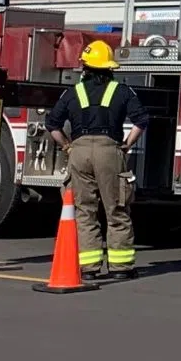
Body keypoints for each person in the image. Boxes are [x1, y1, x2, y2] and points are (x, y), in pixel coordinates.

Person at [46, 41, 144, 280]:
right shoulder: (122, 91)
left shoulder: (72, 92)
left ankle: (88, 269)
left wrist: (67, 146)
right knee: (117, 209)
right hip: (109, 151)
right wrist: (127, 144)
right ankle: (121, 268)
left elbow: (52, 125)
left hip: (79, 152)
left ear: (86, 67)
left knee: (84, 211)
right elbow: (141, 121)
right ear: (110, 68)